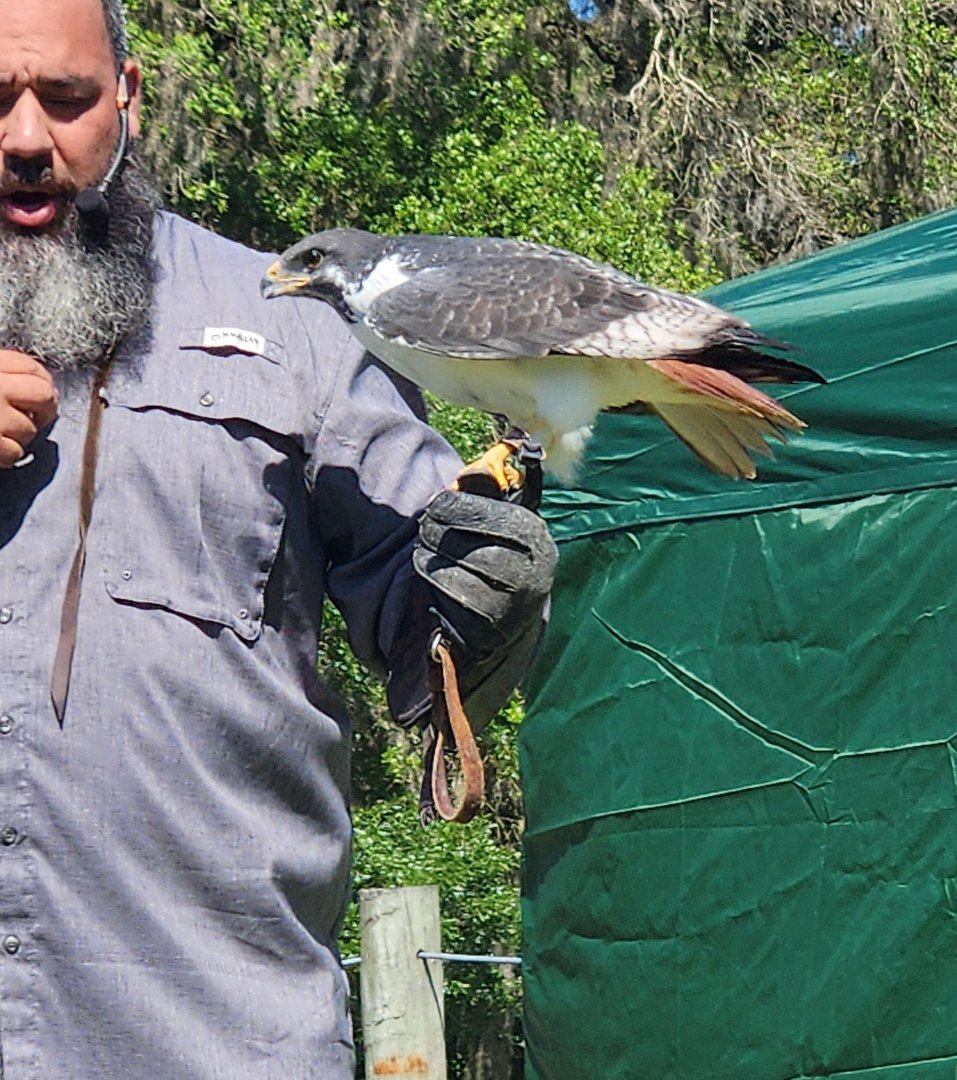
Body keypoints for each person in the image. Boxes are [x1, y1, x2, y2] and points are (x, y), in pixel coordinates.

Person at [0, 1, 555, 1076]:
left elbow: (427, 615)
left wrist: (481, 589)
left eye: (64, 99)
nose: (27, 139)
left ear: (128, 93)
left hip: (208, 1037)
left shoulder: (295, 326)